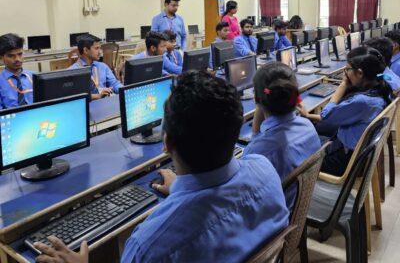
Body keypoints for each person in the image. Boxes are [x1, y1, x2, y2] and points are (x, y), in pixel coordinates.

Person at [35, 71, 289, 263]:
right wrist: (181, 186)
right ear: (236, 129)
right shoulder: (266, 170)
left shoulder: (150, 246)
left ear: (167, 143)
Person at [298, 47, 391, 176]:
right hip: (352, 154)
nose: (345, 72)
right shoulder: (380, 90)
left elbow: (326, 116)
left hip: (342, 161)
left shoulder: (362, 101)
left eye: (347, 69)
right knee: (306, 139)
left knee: (293, 154)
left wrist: (343, 84)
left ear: (359, 73)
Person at [243, 62, 320, 209]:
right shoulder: (308, 126)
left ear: (256, 99)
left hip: (279, 213)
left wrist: (259, 105)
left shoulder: (258, 151)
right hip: (301, 200)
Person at [69, 34, 122, 100]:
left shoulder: (102, 66)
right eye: (96, 48)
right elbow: (75, 97)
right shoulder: (73, 71)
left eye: (100, 48)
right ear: (85, 50)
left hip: (104, 104)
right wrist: (98, 96)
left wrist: (123, 90)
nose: (100, 52)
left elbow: (115, 84)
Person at [0, 33, 34, 109]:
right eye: (11, 56)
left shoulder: (35, 76)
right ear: (2, 58)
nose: (17, 59)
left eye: (20, 54)